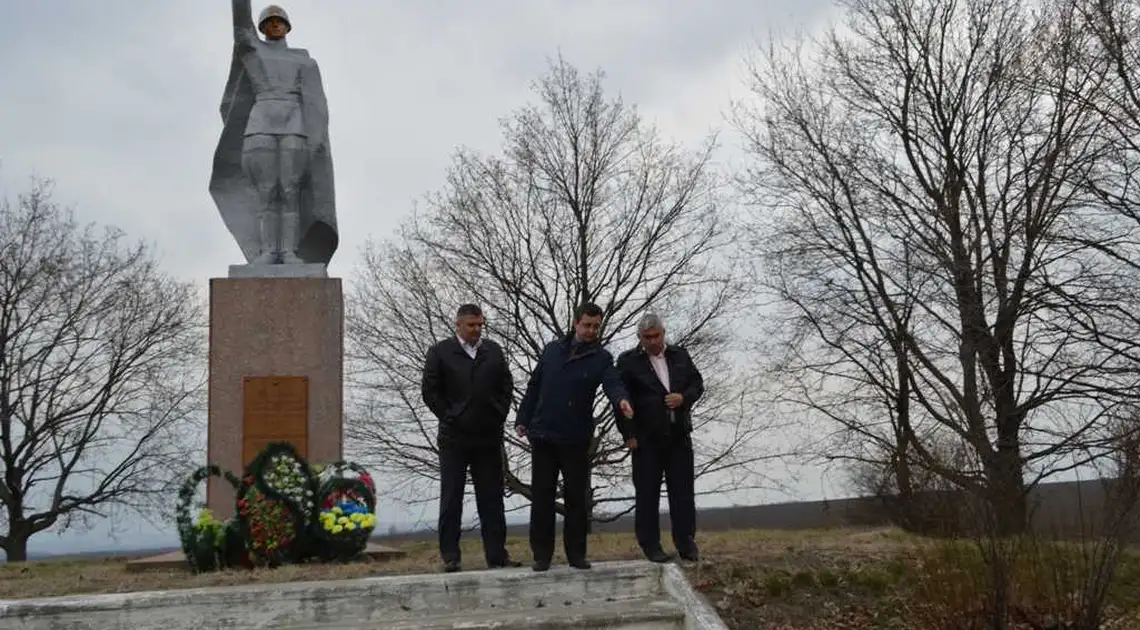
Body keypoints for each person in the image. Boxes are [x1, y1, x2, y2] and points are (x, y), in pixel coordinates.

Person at [210, 2, 339, 268]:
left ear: (288, 26)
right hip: (261, 123)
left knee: (290, 191)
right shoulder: (252, 51)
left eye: (280, 21)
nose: (275, 24)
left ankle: (289, 252)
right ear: (262, 27)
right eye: (269, 21)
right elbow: (241, 26)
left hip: (295, 125)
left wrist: (317, 140)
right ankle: (269, 251)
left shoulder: (304, 60)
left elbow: (316, 102)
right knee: (267, 192)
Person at [515, 302, 634, 571]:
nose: (591, 330)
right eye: (587, 325)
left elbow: (613, 383)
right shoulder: (552, 351)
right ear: (575, 323)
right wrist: (523, 419)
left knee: (576, 499)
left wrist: (622, 400)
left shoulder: (601, 358)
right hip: (544, 434)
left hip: (576, 438)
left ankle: (576, 554)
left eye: (596, 326)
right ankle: (542, 555)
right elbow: (535, 386)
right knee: (542, 498)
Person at [421, 304, 520, 572]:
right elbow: (430, 392)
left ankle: (497, 555)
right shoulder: (440, 352)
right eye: (471, 325)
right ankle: (451, 556)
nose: (476, 330)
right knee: (451, 496)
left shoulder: (493, 351)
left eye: (480, 325)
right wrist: (451, 415)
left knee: (491, 497)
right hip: (454, 438)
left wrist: (499, 413)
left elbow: (506, 385)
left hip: (488, 436)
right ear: (459, 325)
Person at [616, 313, 704, 562]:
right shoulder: (628, 362)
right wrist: (628, 434)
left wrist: (683, 398)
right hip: (646, 438)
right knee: (647, 493)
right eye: (647, 338)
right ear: (640, 338)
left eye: (657, 336)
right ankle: (651, 545)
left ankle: (686, 542)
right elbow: (620, 401)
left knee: (683, 492)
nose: (653, 341)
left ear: (663, 333)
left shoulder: (680, 355)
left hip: (678, 435)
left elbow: (697, 383)